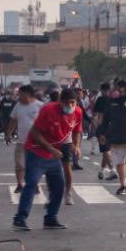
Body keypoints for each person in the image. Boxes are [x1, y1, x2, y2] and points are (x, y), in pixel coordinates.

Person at [13, 88, 81, 232]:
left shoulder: (77, 112)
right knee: (31, 184)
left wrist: (76, 146)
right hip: (37, 151)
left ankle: (50, 218)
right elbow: (35, 133)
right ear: (60, 101)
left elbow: (76, 131)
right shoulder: (48, 110)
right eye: (66, 102)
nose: (69, 106)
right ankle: (20, 219)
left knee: (59, 185)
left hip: (53, 155)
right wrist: (50, 148)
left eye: (72, 102)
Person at [4, 85, 44, 194]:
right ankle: (19, 184)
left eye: (20, 94)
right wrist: (8, 133)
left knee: (35, 165)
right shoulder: (18, 106)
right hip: (21, 141)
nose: (18, 97)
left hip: (36, 143)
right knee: (19, 164)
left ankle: (35, 184)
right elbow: (13, 120)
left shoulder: (40, 106)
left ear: (28, 94)